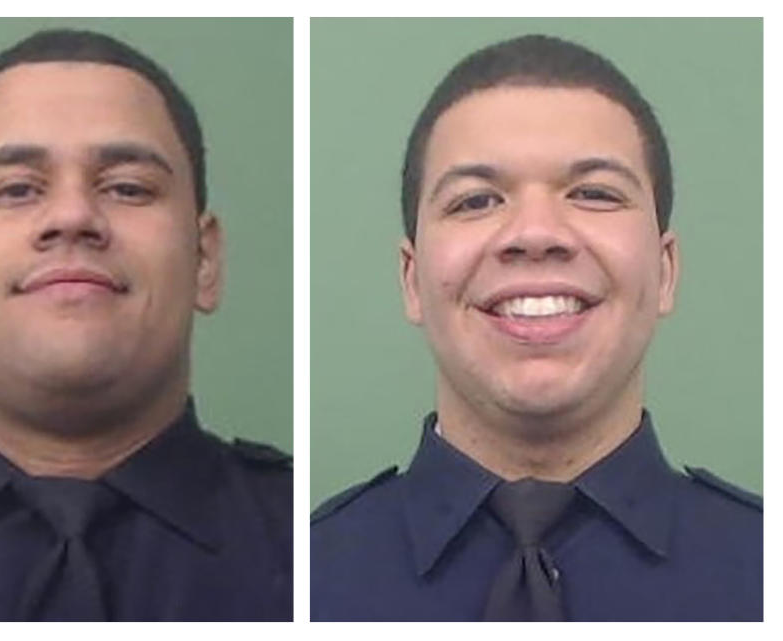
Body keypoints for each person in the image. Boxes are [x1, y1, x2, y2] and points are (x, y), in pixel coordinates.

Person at [0, 28, 291, 622]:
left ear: (204, 260)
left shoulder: (323, 560)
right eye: (17, 189)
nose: (74, 215)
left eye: (128, 188)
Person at [310, 34, 761, 622]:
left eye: (594, 194)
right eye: (475, 201)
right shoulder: (298, 579)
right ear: (411, 279)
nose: (536, 232)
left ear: (666, 270)